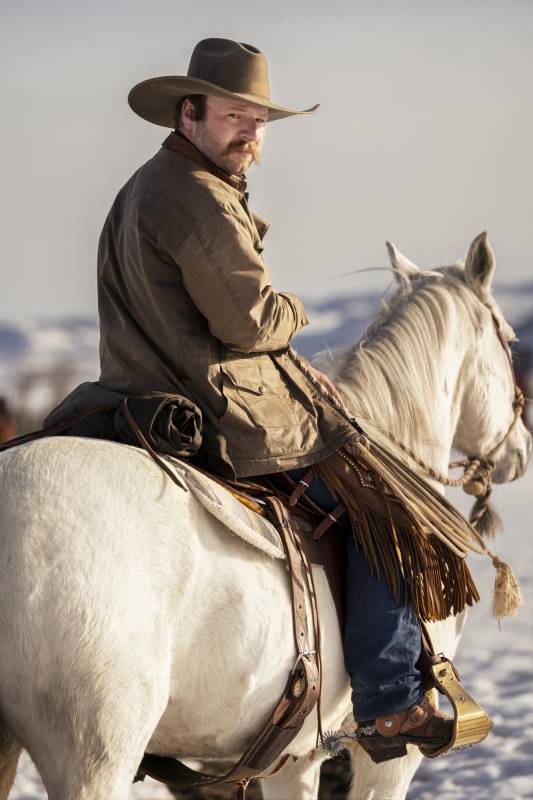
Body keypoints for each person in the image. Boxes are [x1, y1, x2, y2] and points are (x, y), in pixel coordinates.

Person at [48, 38, 456, 759]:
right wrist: (293, 312)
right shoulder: (197, 197)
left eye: (260, 120)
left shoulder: (145, 185)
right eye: (237, 115)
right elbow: (246, 320)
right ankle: (391, 699)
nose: (251, 133)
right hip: (215, 405)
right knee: (384, 505)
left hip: (136, 386)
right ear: (190, 112)